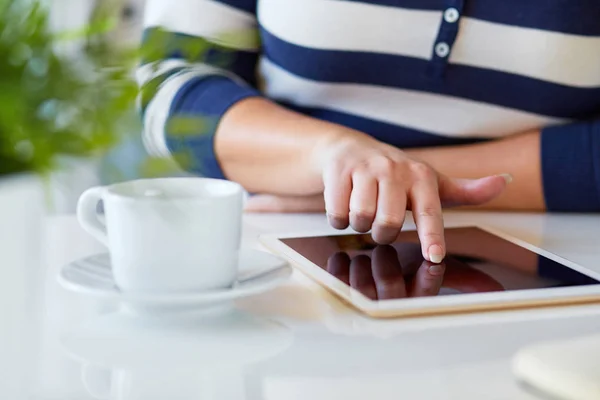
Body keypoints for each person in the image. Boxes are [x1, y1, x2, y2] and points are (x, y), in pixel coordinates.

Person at [138, 0, 600, 264]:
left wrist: (383, 181)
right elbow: (167, 86)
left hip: (552, 271)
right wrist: (329, 154)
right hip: (282, 263)